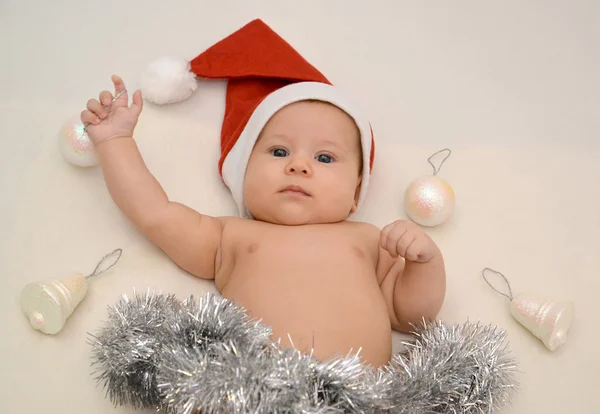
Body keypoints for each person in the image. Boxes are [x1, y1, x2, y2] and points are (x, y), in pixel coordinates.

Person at [80, 19, 446, 368]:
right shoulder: (230, 236)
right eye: (279, 152)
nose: (299, 166)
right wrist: (114, 142)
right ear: (243, 174)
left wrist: (424, 263)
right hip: (252, 392)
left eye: (324, 157)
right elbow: (155, 213)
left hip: (357, 396)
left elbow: (410, 315)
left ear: (355, 193)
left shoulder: (370, 241)